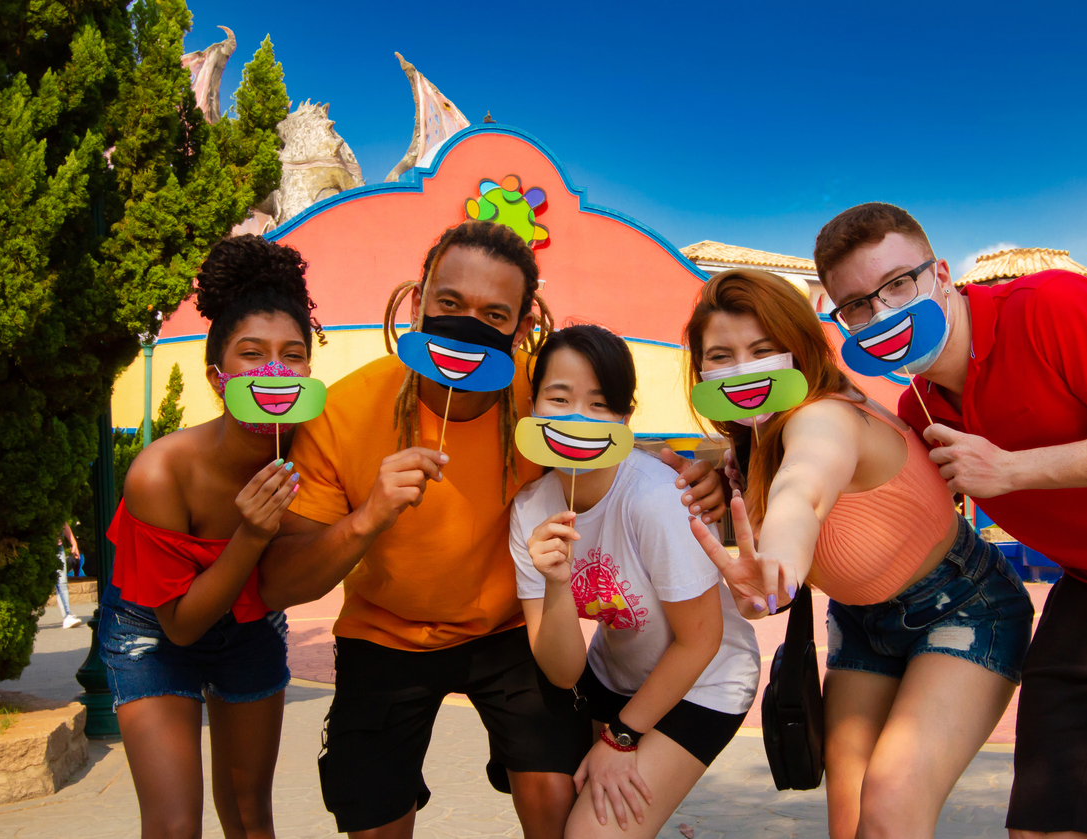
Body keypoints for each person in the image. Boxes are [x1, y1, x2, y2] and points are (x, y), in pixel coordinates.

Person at [256, 220, 727, 839]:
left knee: (558, 799)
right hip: (384, 636)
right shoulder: (343, 411)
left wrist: (703, 467)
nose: (466, 324)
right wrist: (366, 519)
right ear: (417, 298)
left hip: (512, 631)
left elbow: (612, 432)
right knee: (373, 819)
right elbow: (279, 585)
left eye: (493, 312)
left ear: (523, 325)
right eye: (449, 303)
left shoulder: (545, 396)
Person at [812, 202, 1087, 839]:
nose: (882, 312)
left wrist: (1015, 469)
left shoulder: (1055, 306)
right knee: (1043, 828)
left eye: (898, 284)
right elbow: (860, 487)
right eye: (857, 305)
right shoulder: (919, 410)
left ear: (940, 274)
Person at [683, 268, 1034, 839]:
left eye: (763, 349)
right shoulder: (751, 440)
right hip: (861, 621)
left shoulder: (824, 416)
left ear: (799, 349)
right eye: (721, 354)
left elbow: (806, 487)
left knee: (892, 806)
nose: (743, 367)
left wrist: (776, 564)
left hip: (963, 609)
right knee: (849, 821)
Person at [98, 234, 323, 839]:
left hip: (249, 623)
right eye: (252, 354)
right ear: (215, 372)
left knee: (251, 817)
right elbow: (181, 624)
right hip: (154, 629)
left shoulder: (317, 451)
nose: (274, 370)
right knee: (174, 826)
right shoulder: (160, 472)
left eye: (293, 354)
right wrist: (250, 535)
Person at [512, 324, 760, 838]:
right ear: (532, 406)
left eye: (599, 404)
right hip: (615, 677)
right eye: (559, 398)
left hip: (706, 681)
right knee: (557, 806)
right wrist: (556, 584)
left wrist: (621, 739)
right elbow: (562, 672)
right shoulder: (529, 510)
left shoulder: (655, 499)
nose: (577, 417)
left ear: (625, 418)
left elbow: (701, 641)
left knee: (592, 833)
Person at [55, 522, 83, 628]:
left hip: (57, 547)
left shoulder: (57, 507)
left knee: (61, 582)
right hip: (40, 546)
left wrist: (74, 543)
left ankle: (67, 616)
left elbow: (63, 522)